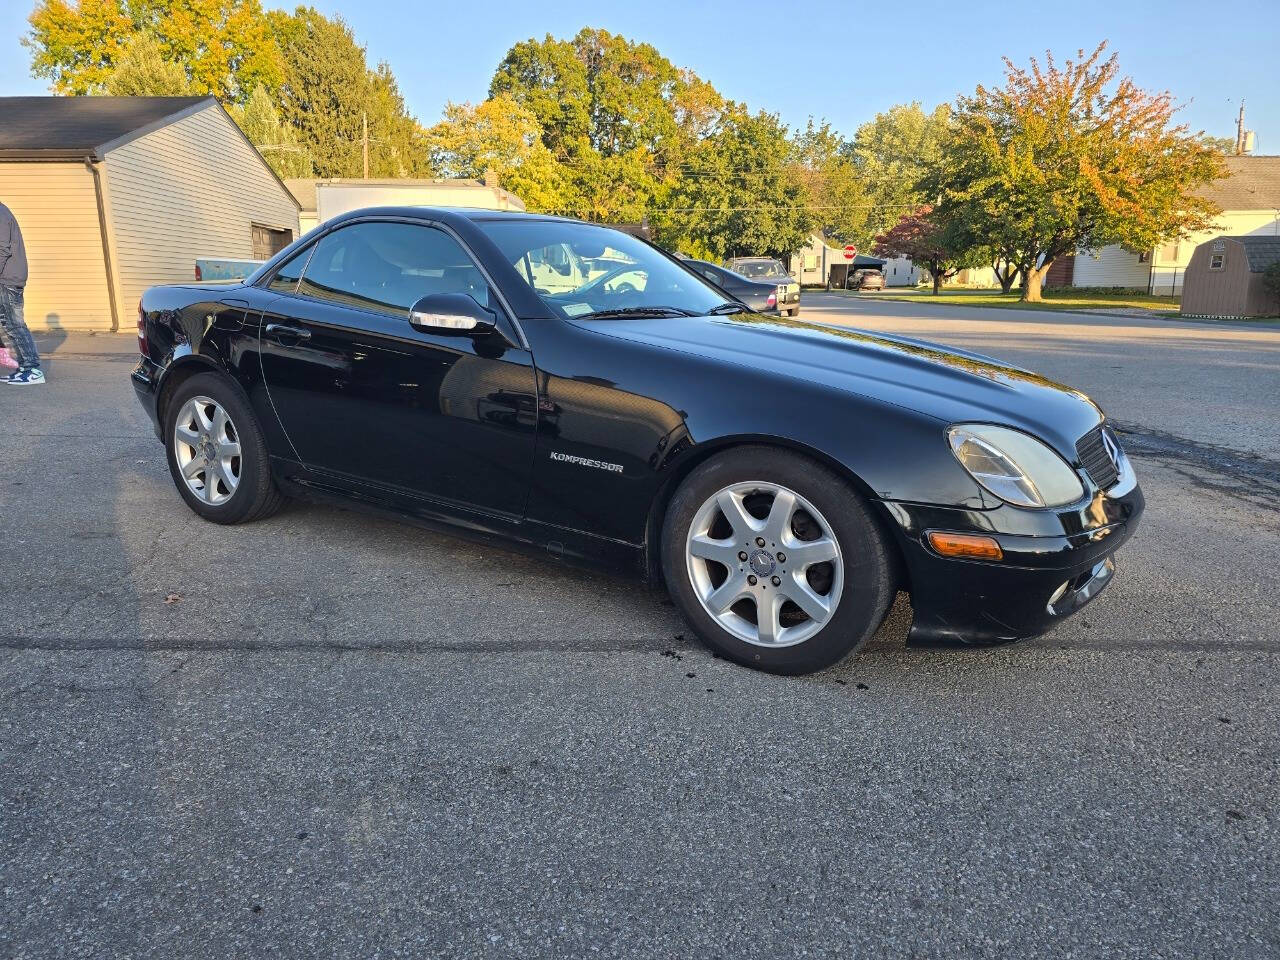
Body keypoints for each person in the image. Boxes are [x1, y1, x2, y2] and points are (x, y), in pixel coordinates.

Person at [0, 201, 43, 385]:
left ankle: (32, 370)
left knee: (15, 325)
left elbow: (2, 249)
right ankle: (25, 368)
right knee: (10, 325)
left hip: (8, 278)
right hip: (8, 277)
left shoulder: (1, 214)